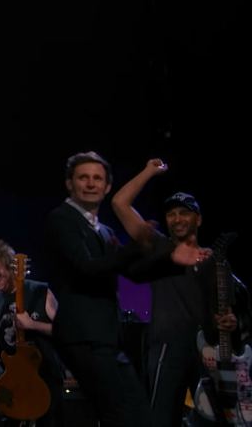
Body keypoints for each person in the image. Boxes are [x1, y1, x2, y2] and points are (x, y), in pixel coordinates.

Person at [40, 151, 205, 427]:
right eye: (83, 177)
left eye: (97, 178)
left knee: (139, 416)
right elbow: (85, 268)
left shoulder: (102, 230)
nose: (91, 184)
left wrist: (171, 261)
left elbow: (133, 273)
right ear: (70, 183)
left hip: (105, 337)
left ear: (106, 187)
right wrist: (133, 247)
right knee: (122, 415)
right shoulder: (61, 219)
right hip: (83, 335)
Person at [110, 159, 249, 427]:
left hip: (208, 351)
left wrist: (228, 321)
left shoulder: (215, 260)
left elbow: (226, 312)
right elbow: (119, 203)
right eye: (171, 214)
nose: (176, 219)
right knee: (163, 419)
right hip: (166, 347)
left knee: (216, 420)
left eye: (183, 213)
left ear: (198, 219)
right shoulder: (160, 247)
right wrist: (149, 171)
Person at [0, 239, 65, 427]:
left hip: (45, 375)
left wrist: (33, 324)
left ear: (11, 268)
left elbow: (65, 331)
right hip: (11, 381)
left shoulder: (40, 291)